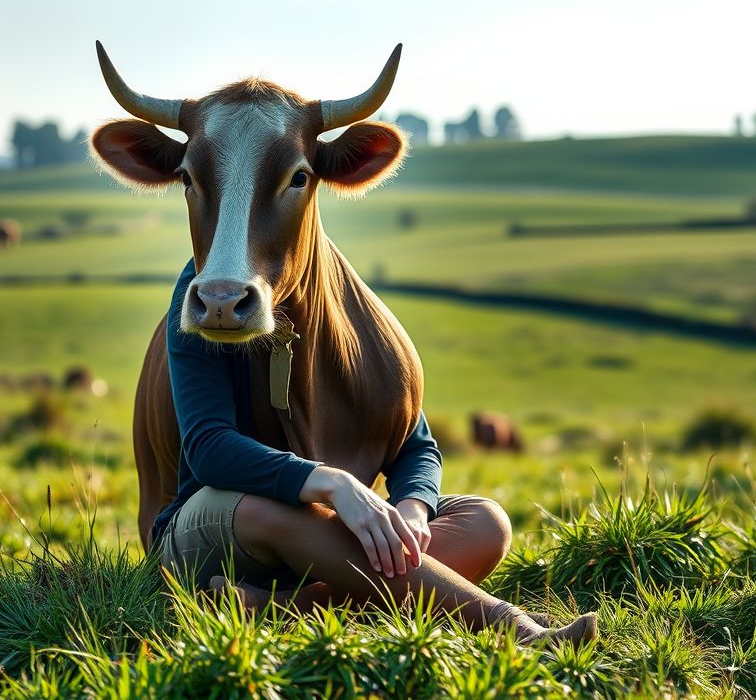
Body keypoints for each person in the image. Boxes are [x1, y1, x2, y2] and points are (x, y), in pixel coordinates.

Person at [151, 259, 598, 647]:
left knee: (487, 521)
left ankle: (283, 610)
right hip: (218, 527)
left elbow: (413, 442)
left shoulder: (345, 304)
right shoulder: (205, 292)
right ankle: (510, 626)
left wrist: (414, 508)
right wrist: (332, 483)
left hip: (329, 541)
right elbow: (209, 448)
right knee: (270, 507)